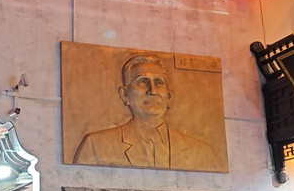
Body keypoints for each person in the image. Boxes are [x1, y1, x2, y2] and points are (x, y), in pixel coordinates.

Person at [73, 54, 218, 170]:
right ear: (125, 95)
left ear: (169, 95)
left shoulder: (203, 153)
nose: (152, 91)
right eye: (142, 81)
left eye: (159, 83)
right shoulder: (96, 146)